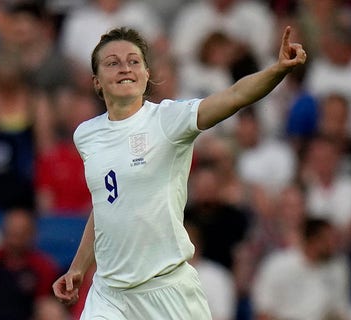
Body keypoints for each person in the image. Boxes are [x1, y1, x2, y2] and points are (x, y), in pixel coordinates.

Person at [52, 26, 307, 319]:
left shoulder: (168, 120)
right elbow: (106, 205)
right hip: (110, 294)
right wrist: (78, 268)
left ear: (147, 74)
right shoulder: (86, 134)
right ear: (97, 82)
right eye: (113, 62)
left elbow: (235, 95)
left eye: (134, 61)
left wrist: (277, 71)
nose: (125, 68)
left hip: (168, 291)